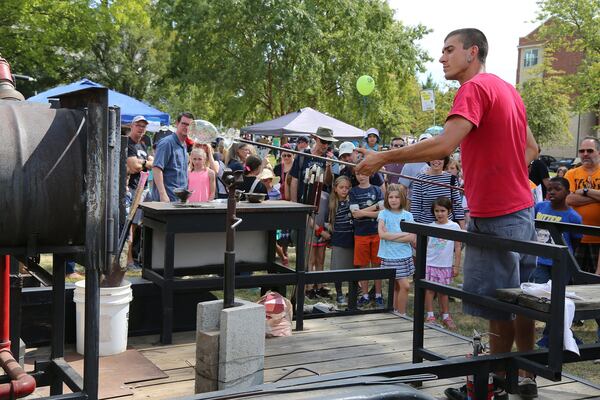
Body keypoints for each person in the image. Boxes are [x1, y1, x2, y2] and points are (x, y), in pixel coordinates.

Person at [356, 28, 539, 400]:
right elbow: (531, 148)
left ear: (473, 52)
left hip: (498, 215)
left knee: (498, 302)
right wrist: (499, 174)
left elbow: (443, 143)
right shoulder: (507, 88)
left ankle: (496, 383)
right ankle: (524, 374)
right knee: (522, 298)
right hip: (521, 208)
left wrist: (383, 157)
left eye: (449, 50)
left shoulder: (472, 89)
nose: (441, 57)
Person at [531, 176, 582, 348]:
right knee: (543, 297)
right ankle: (565, 333)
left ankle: (550, 335)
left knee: (558, 298)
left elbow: (575, 240)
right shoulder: (539, 207)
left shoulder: (573, 216)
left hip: (561, 264)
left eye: (557, 189)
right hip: (540, 260)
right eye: (550, 188)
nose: (551, 192)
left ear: (568, 192)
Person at [424, 196, 462, 330]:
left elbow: (458, 247)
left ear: (449, 211)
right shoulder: (430, 226)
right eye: (436, 211)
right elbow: (426, 245)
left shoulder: (454, 226)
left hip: (445, 265)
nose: (439, 214)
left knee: (443, 291)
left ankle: (446, 315)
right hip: (430, 264)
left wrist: (456, 266)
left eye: (442, 211)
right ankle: (430, 315)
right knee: (429, 290)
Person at [377, 184, 415, 315]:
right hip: (390, 256)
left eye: (397, 197)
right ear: (387, 198)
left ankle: (395, 311)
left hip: (404, 255)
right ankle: (402, 314)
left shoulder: (408, 215)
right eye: (390, 197)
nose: (393, 200)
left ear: (402, 198)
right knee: (405, 285)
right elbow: (382, 235)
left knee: (398, 286)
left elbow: (412, 237)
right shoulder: (383, 214)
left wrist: (390, 236)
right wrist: (402, 234)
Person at [565, 137, 600, 274]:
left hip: (598, 239)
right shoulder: (572, 173)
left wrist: (586, 191)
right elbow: (568, 199)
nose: (585, 154)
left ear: (598, 152)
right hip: (575, 237)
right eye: (582, 151)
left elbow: (575, 197)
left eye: (590, 150)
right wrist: (597, 197)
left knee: (596, 285)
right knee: (573, 281)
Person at [350, 171, 384, 308]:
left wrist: (363, 212)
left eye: (364, 173)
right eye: (358, 173)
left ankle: (378, 295)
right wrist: (374, 207)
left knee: (377, 264)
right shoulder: (353, 191)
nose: (361, 176)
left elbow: (382, 211)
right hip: (361, 233)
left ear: (370, 174)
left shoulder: (376, 189)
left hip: (377, 232)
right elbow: (355, 214)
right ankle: (364, 295)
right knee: (363, 265)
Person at [126, 115, 154, 269]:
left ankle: (139, 257)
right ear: (132, 125)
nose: (141, 129)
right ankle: (129, 260)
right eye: (139, 125)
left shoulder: (142, 145)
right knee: (131, 225)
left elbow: (152, 162)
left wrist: (143, 163)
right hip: (133, 189)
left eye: (144, 126)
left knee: (142, 224)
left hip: (145, 188)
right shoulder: (127, 143)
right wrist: (146, 164)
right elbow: (132, 167)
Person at [410, 156, 465, 229]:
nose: (436, 161)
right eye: (433, 157)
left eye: (440, 158)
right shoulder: (420, 179)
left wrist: (462, 229)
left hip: (447, 227)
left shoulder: (451, 179)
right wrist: (415, 229)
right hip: (426, 226)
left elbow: (457, 206)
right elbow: (416, 206)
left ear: (445, 160)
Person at [152, 112, 194, 202]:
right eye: (184, 124)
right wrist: (163, 194)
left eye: (189, 125)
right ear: (177, 123)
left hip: (179, 200)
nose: (186, 127)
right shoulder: (167, 143)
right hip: (167, 200)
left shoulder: (184, 145)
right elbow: (156, 169)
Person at [326, 175, 354, 304]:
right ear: (335, 188)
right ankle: (339, 293)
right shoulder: (331, 203)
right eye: (341, 187)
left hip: (352, 239)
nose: (344, 190)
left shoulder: (353, 202)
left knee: (352, 268)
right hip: (338, 240)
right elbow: (327, 221)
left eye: (347, 187)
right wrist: (328, 230)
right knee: (338, 268)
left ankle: (352, 292)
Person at [289, 127, 335, 204]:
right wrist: (294, 203)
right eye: (323, 141)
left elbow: (328, 182)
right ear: (316, 139)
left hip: (320, 203)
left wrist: (328, 166)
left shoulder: (330, 157)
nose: (326, 145)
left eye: (329, 142)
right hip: (301, 201)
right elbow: (294, 179)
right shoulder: (302, 155)